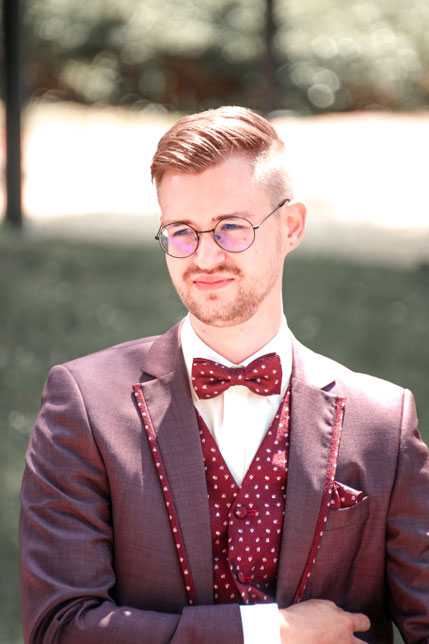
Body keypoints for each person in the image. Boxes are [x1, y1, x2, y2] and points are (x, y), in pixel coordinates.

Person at [20, 106, 429, 644]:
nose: (205, 256)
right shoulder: (85, 404)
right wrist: (267, 634)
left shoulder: (382, 421)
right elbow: (59, 628)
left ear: (291, 226)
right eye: (181, 231)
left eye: (232, 227)